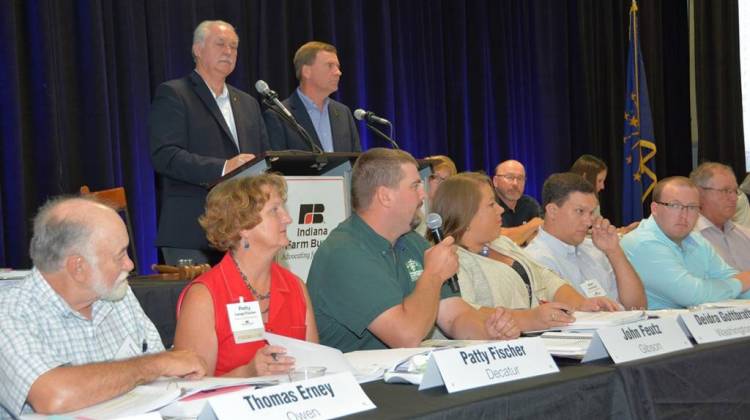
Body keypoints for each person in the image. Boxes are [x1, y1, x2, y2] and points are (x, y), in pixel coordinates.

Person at [0, 197, 206, 417]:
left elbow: (163, 380)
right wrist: (154, 365)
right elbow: (53, 396)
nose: (130, 265)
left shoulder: (118, 295)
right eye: (120, 255)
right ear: (78, 267)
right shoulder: (10, 313)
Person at [307, 148, 520, 352]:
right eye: (415, 186)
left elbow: (454, 316)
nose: (424, 195)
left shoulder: (410, 241)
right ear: (385, 196)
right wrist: (433, 275)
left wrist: (488, 332)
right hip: (360, 383)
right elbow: (406, 336)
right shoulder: (344, 253)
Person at [430, 173, 621, 332]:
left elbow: (545, 278)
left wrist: (581, 304)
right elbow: (465, 315)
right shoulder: (450, 261)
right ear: (466, 214)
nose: (500, 210)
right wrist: (530, 319)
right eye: (491, 205)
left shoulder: (501, 244)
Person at [149, 20, 269, 266]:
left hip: (242, 232)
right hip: (191, 231)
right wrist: (224, 167)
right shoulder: (174, 94)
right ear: (197, 50)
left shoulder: (248, 103)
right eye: (221, 44)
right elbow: (165, 156)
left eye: (234, 47)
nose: (228, 51)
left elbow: (262, 158)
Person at [173, 174, 318, 377]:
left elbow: (314, 369)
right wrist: (247, 373)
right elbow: (190, 389)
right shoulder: (204, 297)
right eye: (274, 210)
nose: (288, 218)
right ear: (243, 227)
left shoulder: (296, 287)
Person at [621, 176, 750, 309]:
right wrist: (739, 283)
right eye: (675, 206)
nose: (684, 215)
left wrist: (739, 283)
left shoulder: (695, 239)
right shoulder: (643, 243)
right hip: (657, 327)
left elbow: (728, 276)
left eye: (692, 207)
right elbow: (691, 295)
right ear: (655, 209)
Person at [525, 173, 646, 309]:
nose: (589, 222)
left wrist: (614, 251)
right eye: (580, 211)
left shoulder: (595, 249)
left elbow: (637, 305)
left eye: (591, 213)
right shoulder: (534, 260)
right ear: (552, 211)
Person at [265, 41, 361, 152]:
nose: (338, 72)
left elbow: (356, 161)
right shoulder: (279, 116)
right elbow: (277, 166)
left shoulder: (343, 112)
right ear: (307, 71)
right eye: (330, 66)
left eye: (338, 67)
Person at [690, 162, 750, 271]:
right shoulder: (687, 239)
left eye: (735, 191)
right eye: (725, 191)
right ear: (699, 193)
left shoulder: (745, 235)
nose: (734, 198)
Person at [571, 154, 639, 234]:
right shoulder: (567, 202)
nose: (602, 186)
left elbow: (599, 229)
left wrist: (624, 230)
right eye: (599, 181)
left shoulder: (594, 202)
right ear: (585, 177)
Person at [492, 160, 543, 245]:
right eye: (509, 177)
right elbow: (495, 240)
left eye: (520, 178)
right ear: (495, 181)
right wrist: (531, 225)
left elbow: (541, 236)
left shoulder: (530, 204)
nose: (515, 183)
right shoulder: (488, 205)